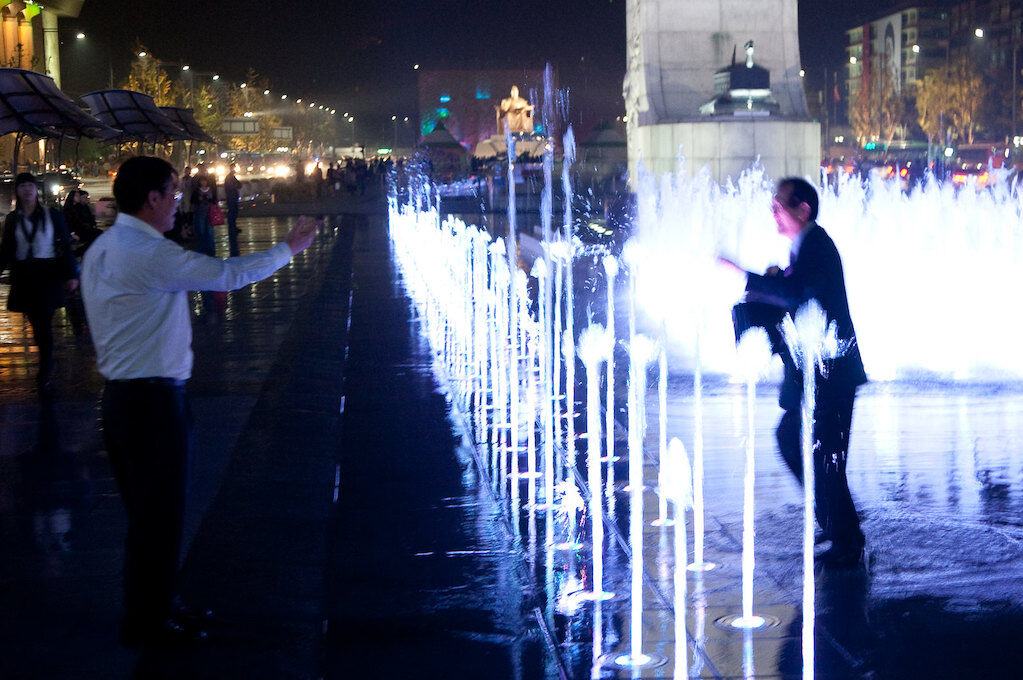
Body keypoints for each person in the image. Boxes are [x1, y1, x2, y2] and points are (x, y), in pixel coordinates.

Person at [80, 156, 318, 646]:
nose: (177, 201)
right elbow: (226, 275)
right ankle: (151, 621)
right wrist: (288, 248)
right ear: (152, 198)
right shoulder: (147, 253)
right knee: (160, 518)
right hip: (151, 406)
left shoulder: (103, 249)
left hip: (122, 402)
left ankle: (150, 609)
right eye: (172, 192)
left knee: (146, 517)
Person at [720, 177, 867, 568]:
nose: (773, 212)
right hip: (820, 370)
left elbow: (800, 295)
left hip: (832, 370)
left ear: (803, 209)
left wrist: (747, 277)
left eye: (778, 206)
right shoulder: (806, 248)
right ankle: (836, 523)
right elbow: (799, 295)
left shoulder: (817, 245)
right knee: (796, 441)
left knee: (826, 457)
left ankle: (847, 542)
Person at [0, 173, 79, 389]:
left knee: (43, 321)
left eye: (30, 186)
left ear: (36, 190)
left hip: (46, 274)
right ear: (17, 190)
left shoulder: (52, 215)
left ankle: (46, 364)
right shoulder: (13, 219)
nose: (27, 190)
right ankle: (47, 358)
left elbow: (64, 244)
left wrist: (71, 274)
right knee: (35, 322)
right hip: (25, 275)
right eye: (22, 186)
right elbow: (6, 249)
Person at [191, 174, 216, 256]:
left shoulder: (210, 190)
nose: (203, 183)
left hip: (209, 212)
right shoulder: (197, 190)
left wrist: (210, 200)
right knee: (201, 230)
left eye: (205, 181)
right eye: (202, 181)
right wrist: (198, 200)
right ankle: (203, 247)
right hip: (200, 212)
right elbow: (193, 200)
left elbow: (214, 200)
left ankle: (211, 248)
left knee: (210, 231)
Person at [223, 165, 242, 257]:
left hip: (232, 197)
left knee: (234, 212)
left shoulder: (230, 177)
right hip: (232, 197)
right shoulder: (230, 177)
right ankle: (232, 227)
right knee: (232, 212)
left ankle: (233, 226)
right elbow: (238, 185)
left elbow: (239, 185)